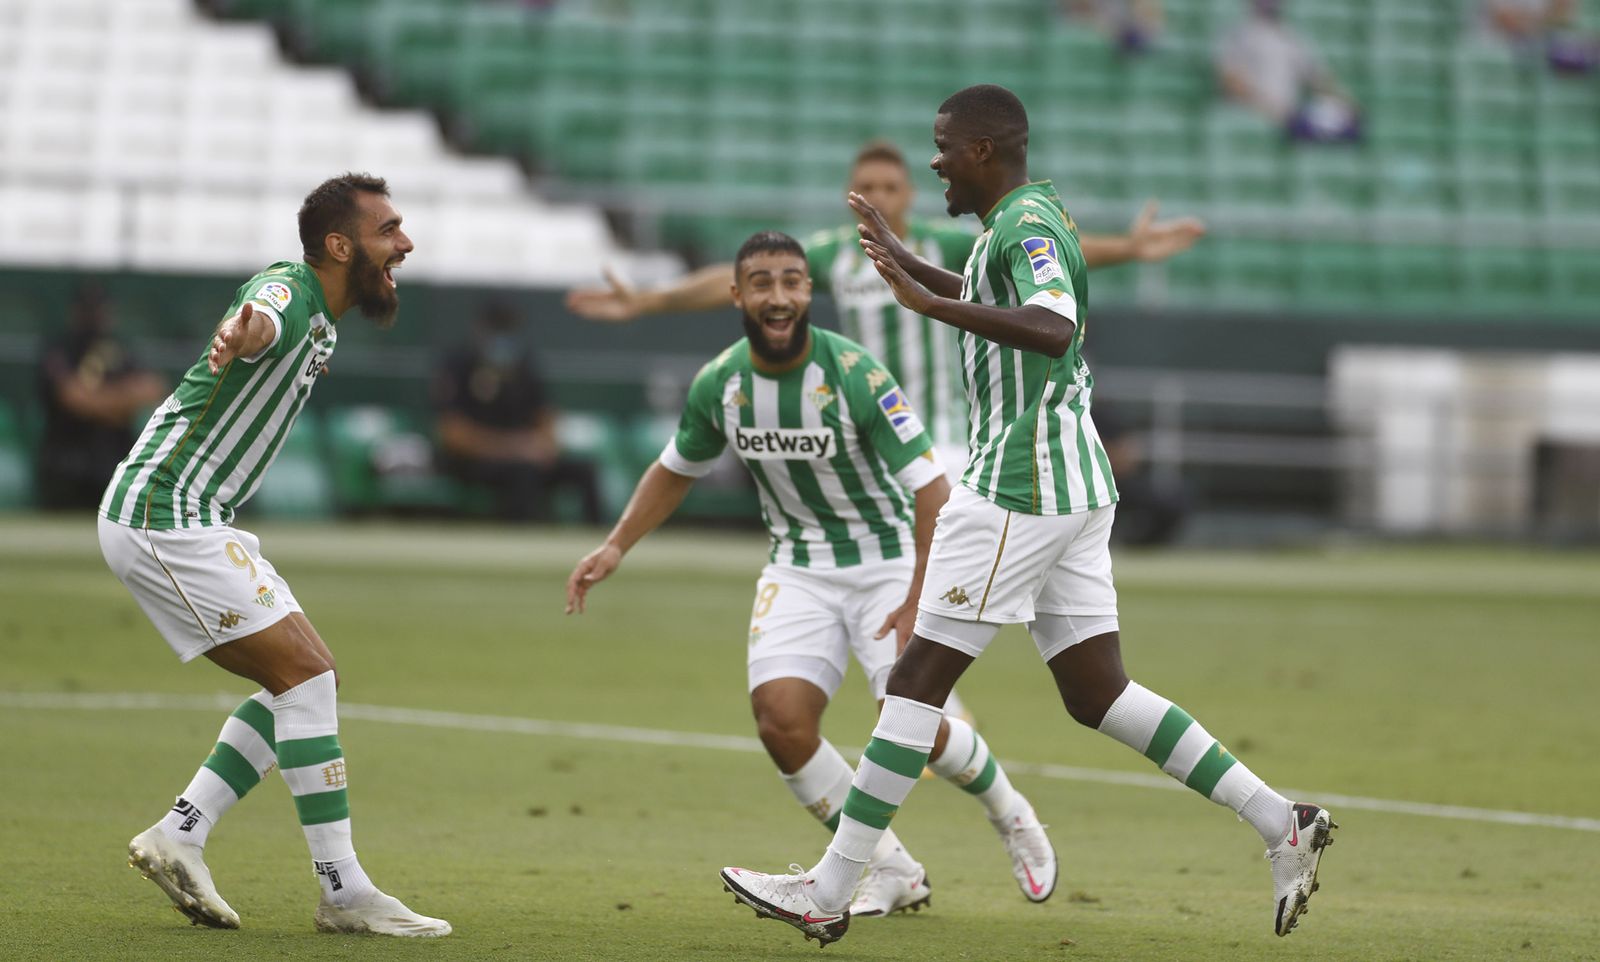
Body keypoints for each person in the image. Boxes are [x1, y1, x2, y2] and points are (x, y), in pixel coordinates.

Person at [719, 86, 1336, 947]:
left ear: (981, 151)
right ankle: (1283, 822)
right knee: (1097, 693)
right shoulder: (1017, 220)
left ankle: (830, 888)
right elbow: (991, 291)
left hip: (1021, 486)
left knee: (914, 682)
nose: (932, 160)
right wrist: (908, 265)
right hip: (1070, 486)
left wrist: (932, 306)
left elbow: (1051, 327)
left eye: (942, 146)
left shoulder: (1026, 228)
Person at [566, 230, 1058, 919]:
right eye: (761, 283)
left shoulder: (856, 374)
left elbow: (930, 490)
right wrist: (616, 546)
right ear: (737, 295)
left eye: (793, 281)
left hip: (889, 561)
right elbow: (676, 467)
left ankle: (1010, 813)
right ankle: (889, 867)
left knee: (914, 722)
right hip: (799, 565)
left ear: (808, 291)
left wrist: (920, 597)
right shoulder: (722, 384)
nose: (778, 296)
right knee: (781, 721)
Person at [97, 173, 449, 937]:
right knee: (307, 678)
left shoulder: (325, 313)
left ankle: (180, 834)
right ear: (339, 244)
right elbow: (261, 317)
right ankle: (342, 890)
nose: (405, 243)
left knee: (304, 680)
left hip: (196, 515)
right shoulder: (289, 290)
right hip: (165, 514)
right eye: (388, 230)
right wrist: (243, 329)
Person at [564, 139, 1206, 479]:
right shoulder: (834, 254)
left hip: (953, 435)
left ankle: (925, 700)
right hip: (873, 431)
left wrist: (1129, 248)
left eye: (890, 186)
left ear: (908, 192)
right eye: (866, 186)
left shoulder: (945, 242)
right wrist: (649, 301)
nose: (877, 195)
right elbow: (736, 280)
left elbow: (1046, 252)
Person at [434, 302, 603, 524]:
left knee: (584, 469)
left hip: (526, 456)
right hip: (474, 461)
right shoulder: (458, 365)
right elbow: (453, 435)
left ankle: (598, 539)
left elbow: (546, 417)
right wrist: (514, 449)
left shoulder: (525, 366)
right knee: (522, 472)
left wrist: (544, 446)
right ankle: (523, 537)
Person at [35, 286, 169, 510]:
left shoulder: (121, 348)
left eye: (99, 310)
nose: (95, 317)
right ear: (74, 312)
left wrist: (102, 400)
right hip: (67, 462)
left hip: (116, 460)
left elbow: (154, 389)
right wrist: (122, 402)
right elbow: (75, 398)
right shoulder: (60, 348)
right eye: (88, 310)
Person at [1215, 0, 1361, 142]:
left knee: (1340, 123)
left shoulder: (1290, 36)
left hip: (1287, 114)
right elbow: (1231, 81)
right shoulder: (1239, 33)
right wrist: (1269, 107)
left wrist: (1346, 102)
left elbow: (1317, 78)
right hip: (1251, 112)